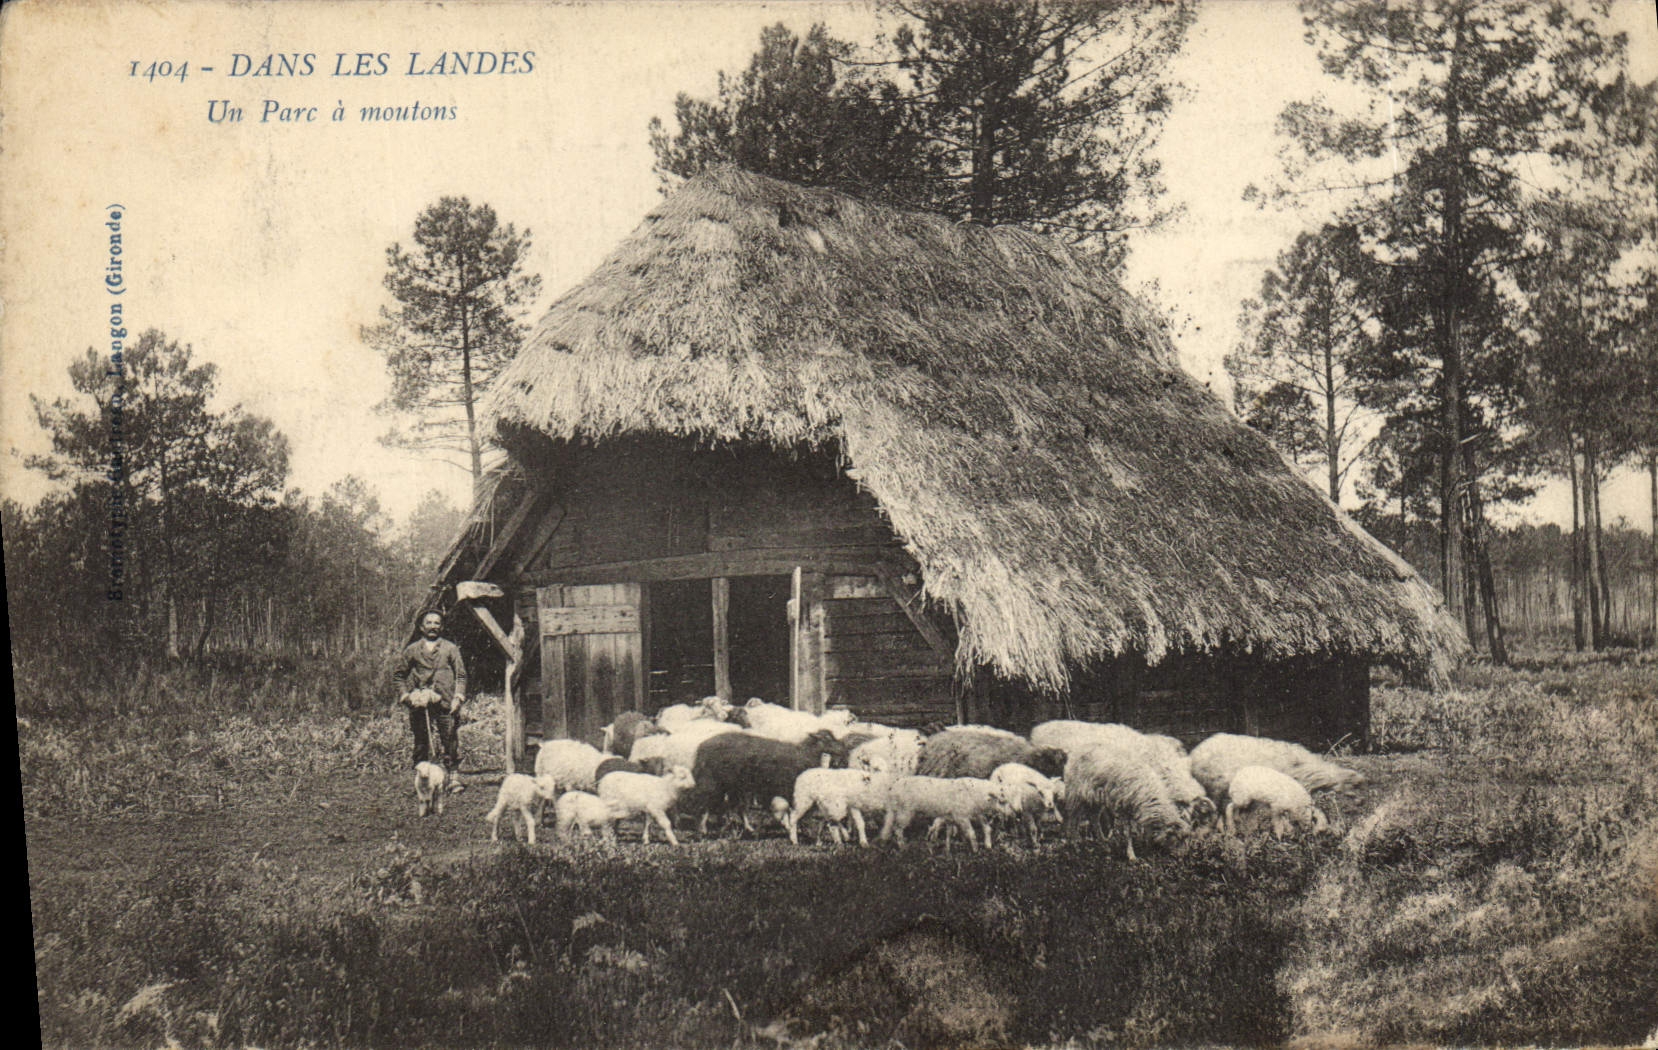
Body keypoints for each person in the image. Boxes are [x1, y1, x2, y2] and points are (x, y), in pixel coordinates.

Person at [396, 611, 468, 790]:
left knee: (449, 738)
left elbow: (461, 676)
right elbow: (399, 675)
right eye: (429, 623)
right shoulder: (412, 650)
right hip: (421, 703)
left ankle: (453, 778)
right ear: (422, 627)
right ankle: (422, 780)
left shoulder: (450, 648)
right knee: (421, 742)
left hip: (446, 702)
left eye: (437, 623)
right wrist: (406, 696)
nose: (433, 626)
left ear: (441, 627)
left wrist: (458, 697)